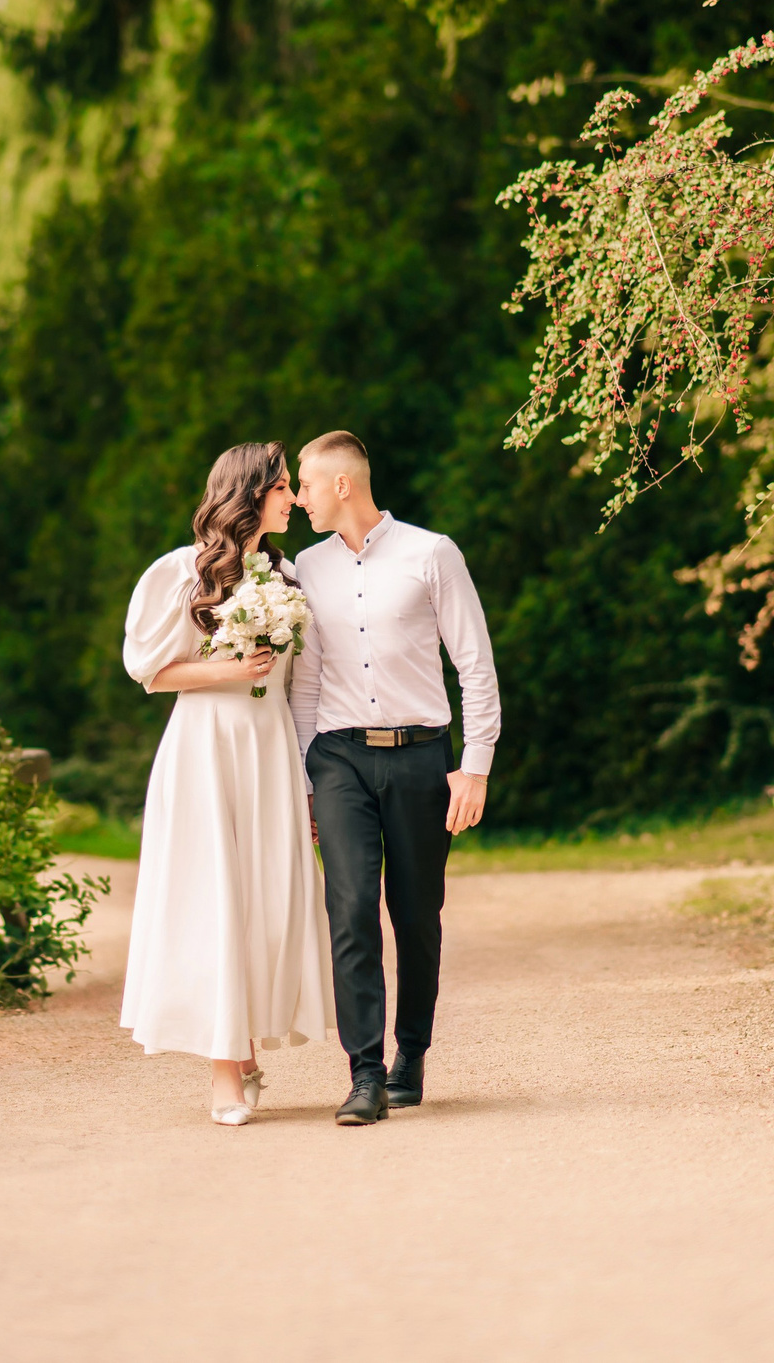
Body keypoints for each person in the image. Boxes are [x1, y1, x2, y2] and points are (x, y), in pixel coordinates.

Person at [119, 441, 336, 1124]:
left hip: (269, 749)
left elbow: (302, 686)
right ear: (248, 493)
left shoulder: (289, 574)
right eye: (281, 487)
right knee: (214, 897)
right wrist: (230, 668)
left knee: (266, 898)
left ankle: (243, 1042)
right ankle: (223, 1072)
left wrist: (308, 782)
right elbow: (152, 673)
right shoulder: (183, 572)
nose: (293, 499)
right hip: (206, 749)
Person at [288, 430, 500, 1126]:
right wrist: (304, 780)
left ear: (342, 484)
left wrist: (474, 767)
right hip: (340, 757)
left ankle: (412, 1054)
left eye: (306, 484)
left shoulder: (431, 553)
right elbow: (307, 683)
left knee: (416, 915)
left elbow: (475, 665)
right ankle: (365, 1072)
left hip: (419, 757)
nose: (298, 496)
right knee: (349, 910)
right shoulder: (307, 569)